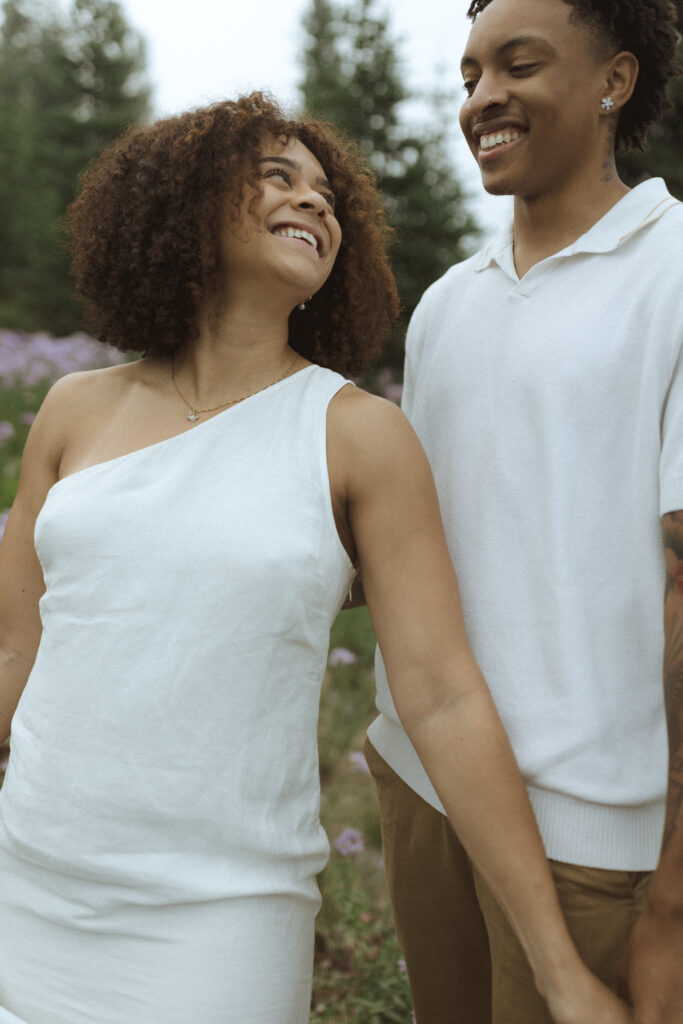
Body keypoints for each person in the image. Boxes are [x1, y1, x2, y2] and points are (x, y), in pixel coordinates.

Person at [0, 92, 632, 1024]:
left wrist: (556, 966)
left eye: (329, 195)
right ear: (184, 205)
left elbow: (441, 695)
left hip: (221, 915)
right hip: (30, 884)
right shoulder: (72, 410)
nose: (317, 203)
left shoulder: (357, 435)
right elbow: (18, 646)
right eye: (277, 179)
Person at [364, 1, 683, 1022]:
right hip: (422, 780)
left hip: (588, 829)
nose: (482, 98)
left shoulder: (672, 271)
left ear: (613, 81)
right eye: (466, 77)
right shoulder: (448, 301)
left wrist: (672, 897)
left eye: (517, 65)